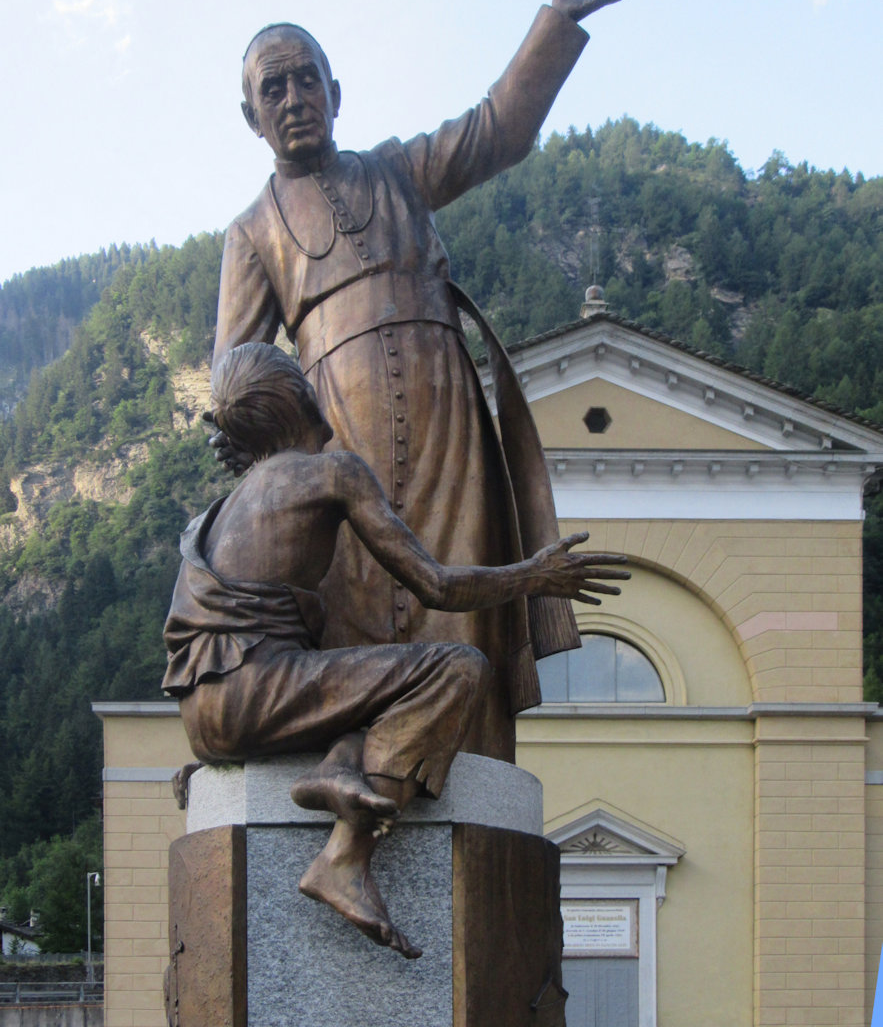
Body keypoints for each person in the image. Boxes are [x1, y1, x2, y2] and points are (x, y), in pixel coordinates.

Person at [210, 0, 638, 762]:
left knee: (460, 575)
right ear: (251, 115)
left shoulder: (397, 171)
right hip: (336, 432)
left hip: (448, 422)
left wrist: (554, 24)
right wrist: (240, 428)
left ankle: (468, 763)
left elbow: (498, 129)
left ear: (336, 92)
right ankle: (351, 766)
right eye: (275, 89)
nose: (294, 98)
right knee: (350, 593)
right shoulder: (250, 231)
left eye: (307, 81)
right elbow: (234, 366)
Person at [165, 343, 629, 958]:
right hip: (262, 689)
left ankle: (336, 765)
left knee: (371, 686)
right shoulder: (334, 472)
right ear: (300, 398)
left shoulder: (213, 515)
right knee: (456, 668)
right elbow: (435, 585)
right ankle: (344, 857)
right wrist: (534, 576)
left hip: (207, 717)